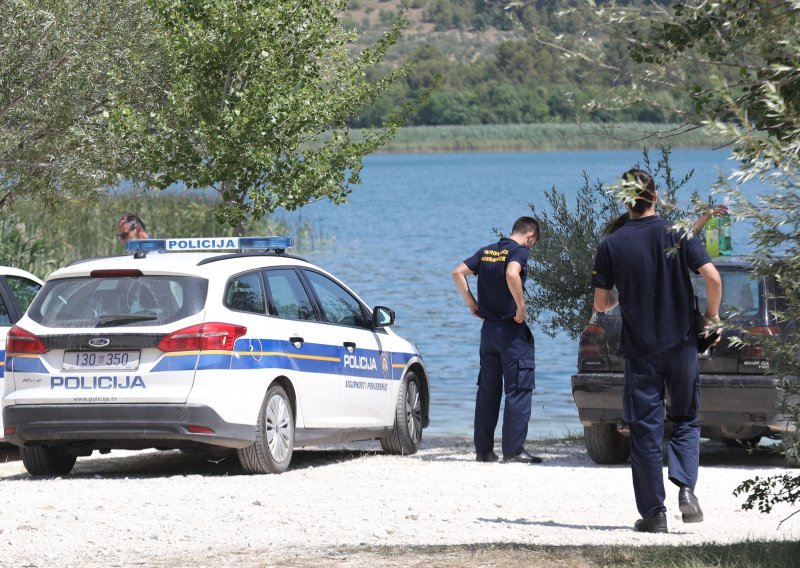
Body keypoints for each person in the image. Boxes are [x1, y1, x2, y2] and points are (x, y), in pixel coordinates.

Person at [592, 168, 722, 534]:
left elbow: (601, 305)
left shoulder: (611, 245)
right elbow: (713, 277)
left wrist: (622, 294)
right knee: (685, 419)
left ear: (625, 199)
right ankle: (686, 491)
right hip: (681, 346)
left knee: (645, 431)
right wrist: (711, 319)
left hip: (640, 351)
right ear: (656, 195)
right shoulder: (678, 233)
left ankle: (654, 514)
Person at [452, 216, 541, 464]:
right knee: (519, 389)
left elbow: (458, 272)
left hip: (488, 332)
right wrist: (521, 307)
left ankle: (484, 451)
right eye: (533, 243)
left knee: (488, 392)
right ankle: (513, 451)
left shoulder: (487, 251)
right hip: (511, 331)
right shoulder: (519, 251)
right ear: (530, 235)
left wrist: (472, 304)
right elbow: (513, 274)